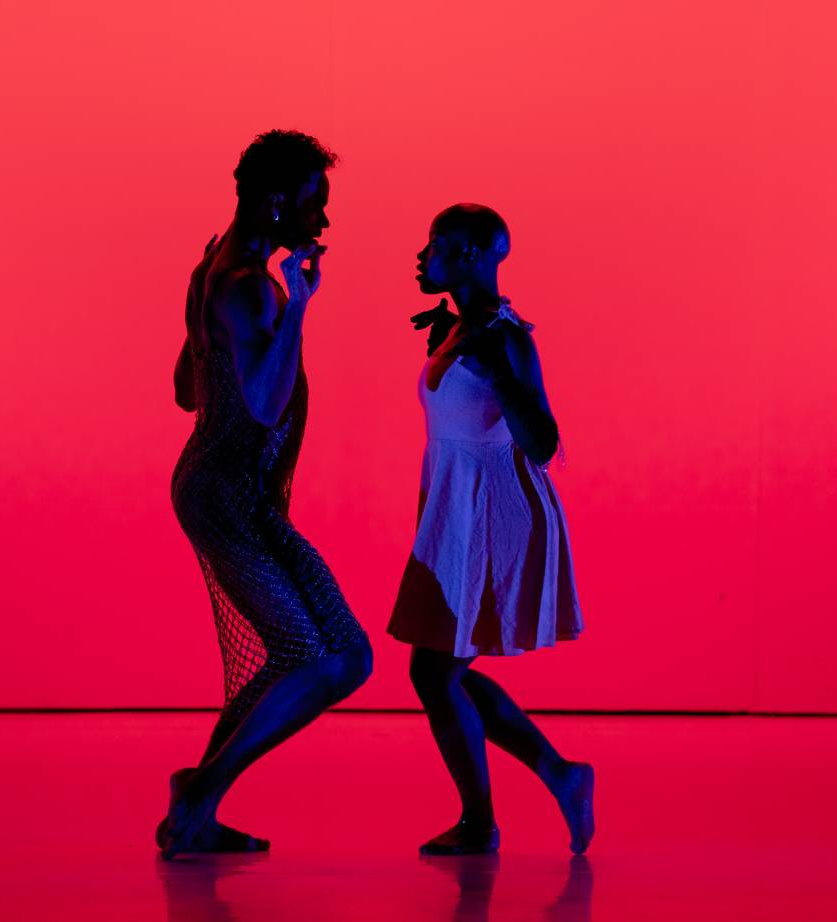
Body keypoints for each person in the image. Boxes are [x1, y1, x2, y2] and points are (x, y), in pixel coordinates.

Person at [162, 130, 372, 858]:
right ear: (278, 199)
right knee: (323, 658)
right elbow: (261, 404)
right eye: (317, 203)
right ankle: (196, 804)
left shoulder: (212, 269)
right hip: (229, 498)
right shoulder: (252, 287)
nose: (323, 222)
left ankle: (196, 798)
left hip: (232, 492)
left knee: (335, 656)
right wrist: (301, 309)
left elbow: (188, 390)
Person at [388, 204, 592, 855]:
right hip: (458, 508)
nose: (423, 255)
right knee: (438, 671)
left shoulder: (504, 337)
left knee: (434, 671)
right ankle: (558, 776)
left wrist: (498, 368)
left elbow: (542, 441)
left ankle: (488, 820)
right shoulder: (466, 328)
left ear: (474, 253)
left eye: (438, 244)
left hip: (494, 513)